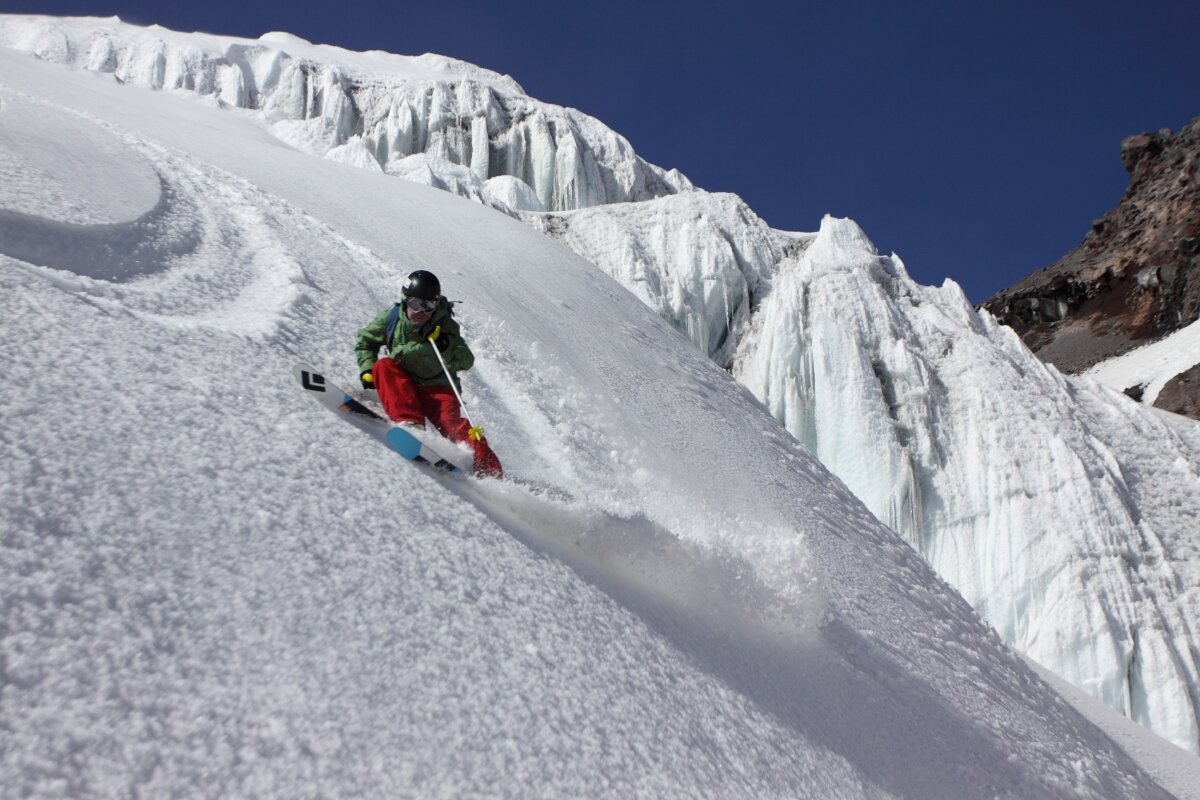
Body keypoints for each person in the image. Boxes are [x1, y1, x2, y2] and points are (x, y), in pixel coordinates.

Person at [355, 270, 503, 478]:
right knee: (384, 366)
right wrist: (367, 369)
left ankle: (490, 471)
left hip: (438, 388)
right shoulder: (392, 319)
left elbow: (466, 360)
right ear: (405, 301)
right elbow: (366, 341)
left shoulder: (444, 325)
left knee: (455, 425)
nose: (421, 312)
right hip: (403, 384)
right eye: (416, 304)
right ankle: (411, 427)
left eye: (429, 306)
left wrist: (444, 343)